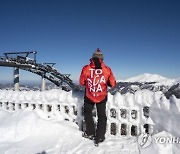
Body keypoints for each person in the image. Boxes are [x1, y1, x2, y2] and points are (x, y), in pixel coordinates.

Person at [79, 48, 116, 146]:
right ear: (102, 59)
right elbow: (113, 84)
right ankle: (99, 136)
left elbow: (82, 82)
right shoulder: (107, 69)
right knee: (102, 115)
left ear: (92, 58)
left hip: (89, 95)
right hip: (102, 96)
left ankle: (90, 133)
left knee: (87, 113)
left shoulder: (86, 68)